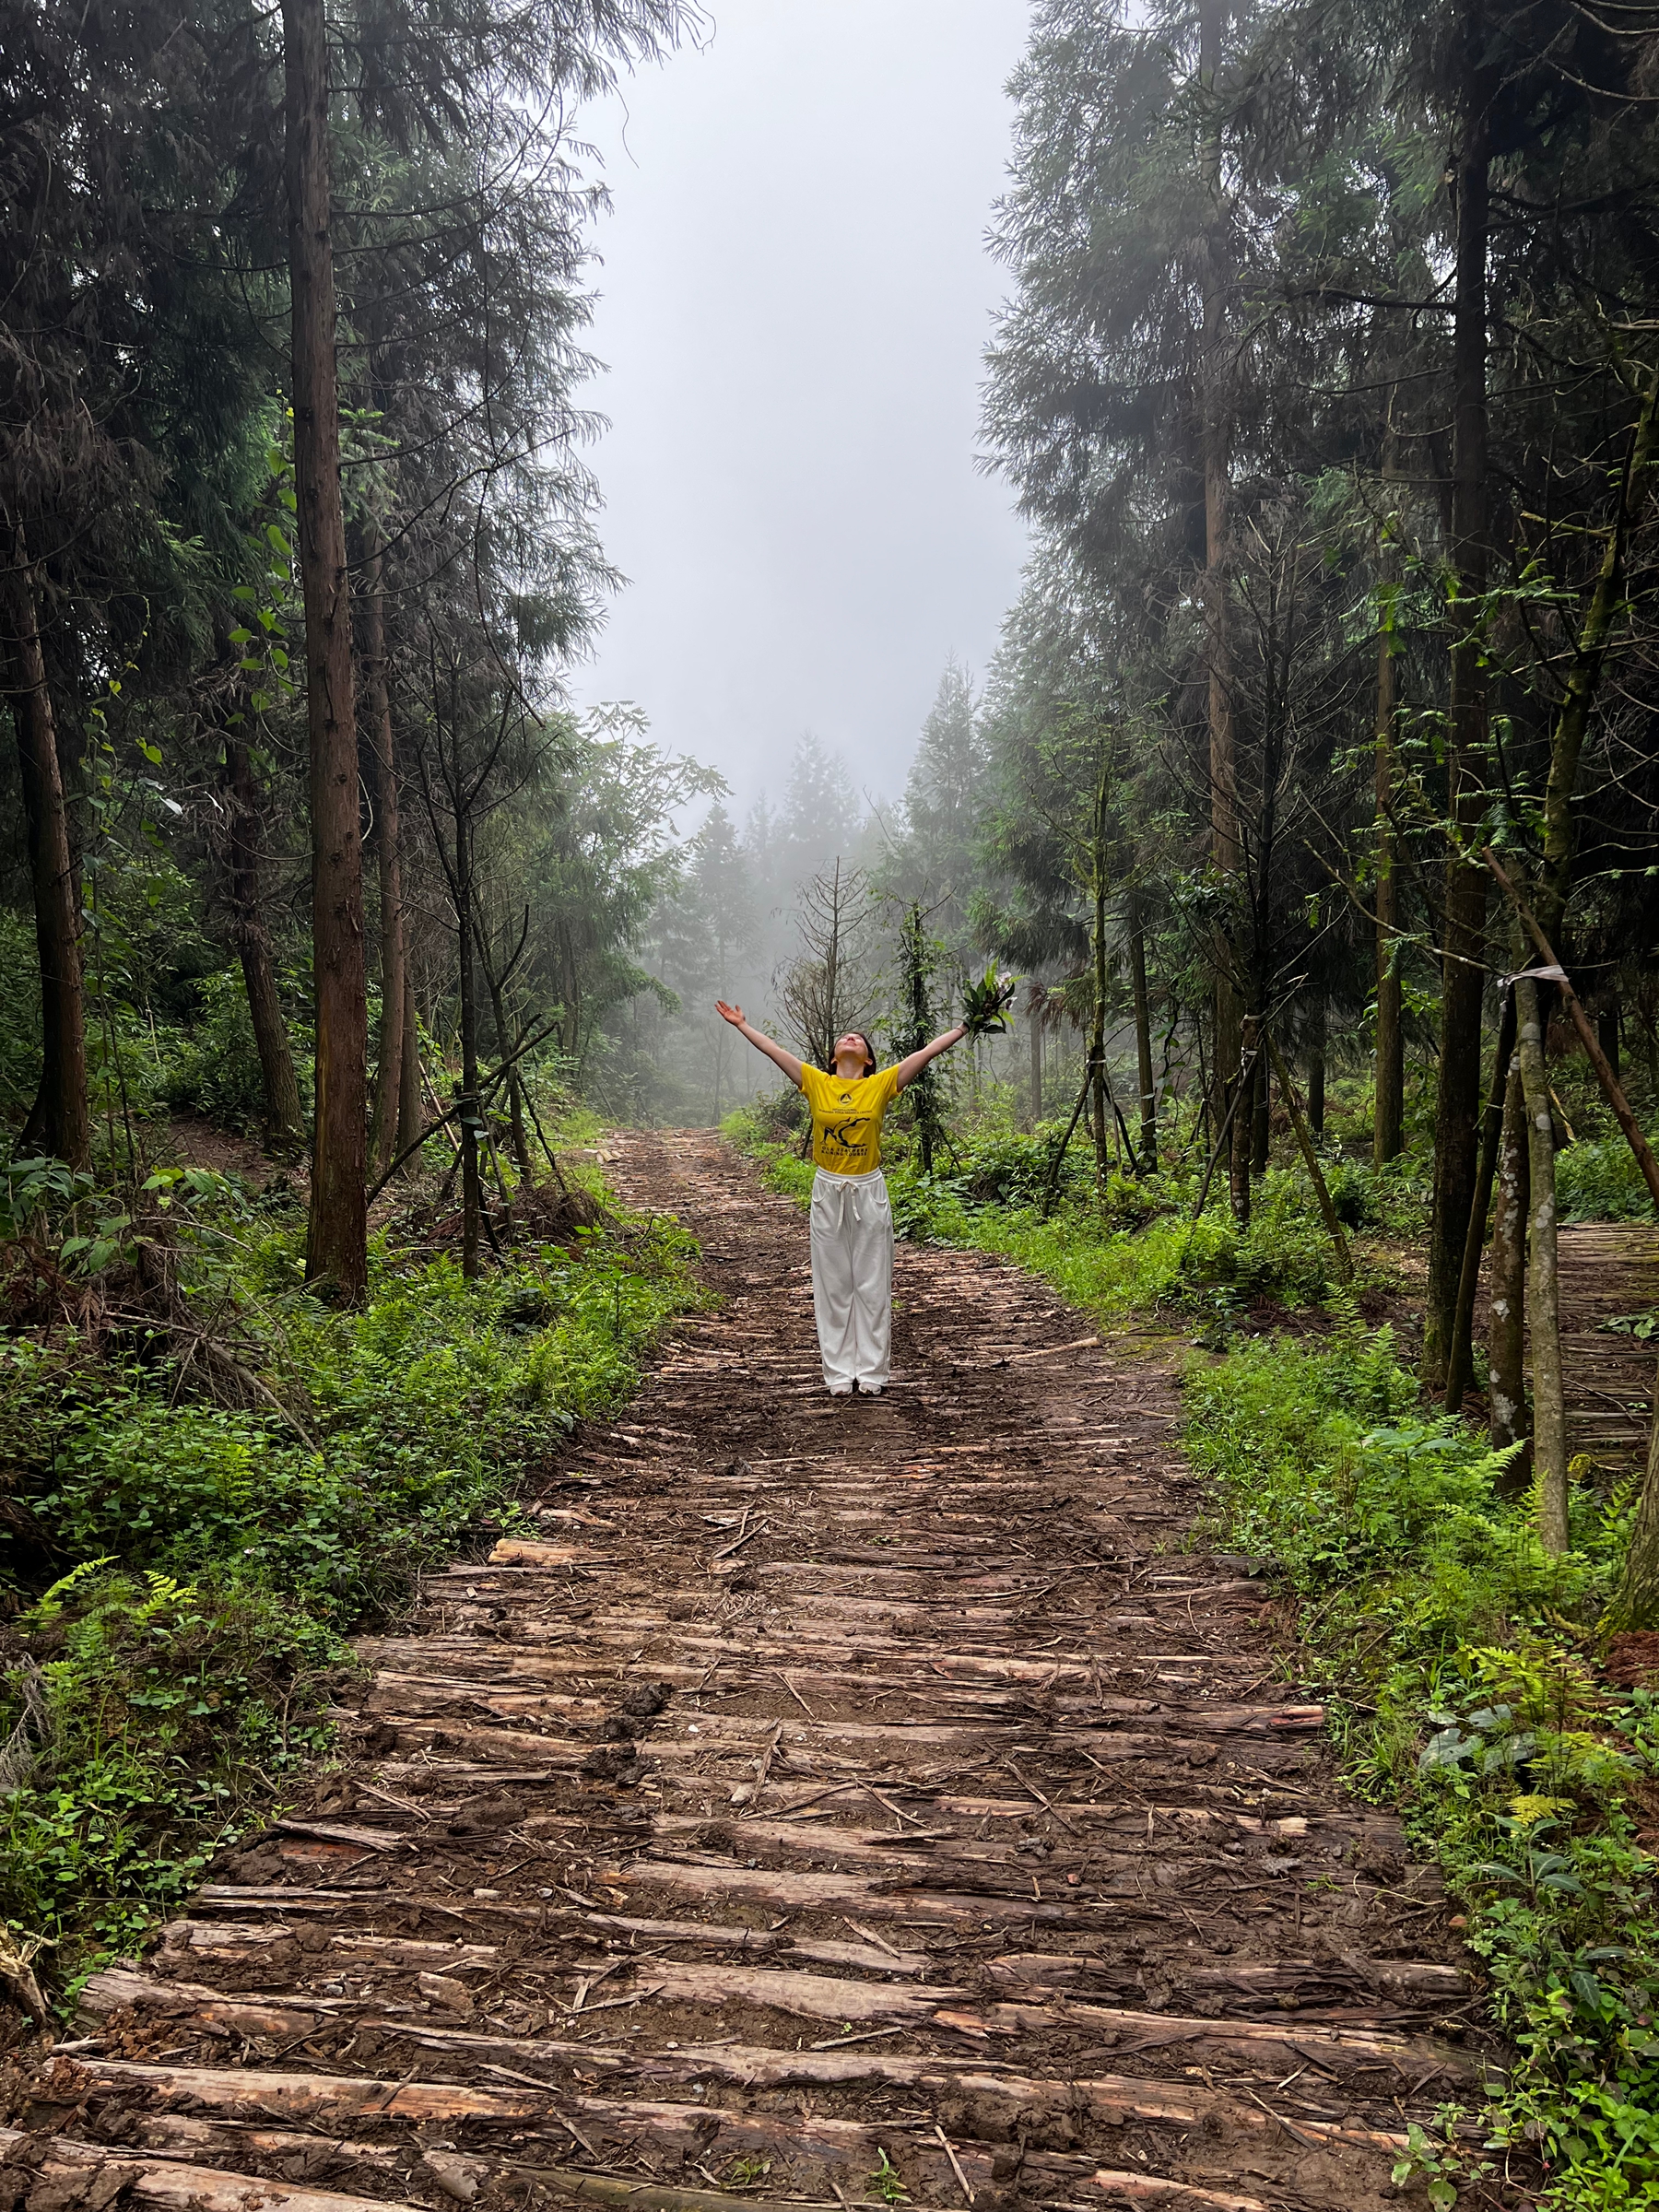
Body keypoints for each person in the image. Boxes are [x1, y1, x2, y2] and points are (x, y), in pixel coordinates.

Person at [715, 1002, 968, 1394]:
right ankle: (837, 1373)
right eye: (845, 1038)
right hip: (827, 1190)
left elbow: (928, 1052)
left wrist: (965, 1025)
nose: (852, 1038)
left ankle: (870, 1372)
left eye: (861, 1039)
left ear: (868, 1060)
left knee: (871, 1283)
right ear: (834, 1057)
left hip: (868, 1190)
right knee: (833, 1284)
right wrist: (742, 1025)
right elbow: (773, 1049)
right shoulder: (817, 1082)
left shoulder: (880, 1084)